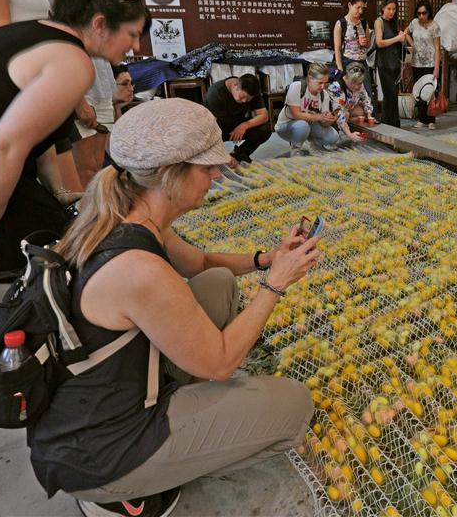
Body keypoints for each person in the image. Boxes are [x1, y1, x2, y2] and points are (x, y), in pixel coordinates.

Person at [29, 98, 316, 517]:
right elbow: (220, 363)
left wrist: (264, 260)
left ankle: (176, 425)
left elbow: (200, 263)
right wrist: (276, 284)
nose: (217, 174)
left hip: (104, 400)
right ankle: (127, 491)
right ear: (167, 175)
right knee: (294, 408)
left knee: (216, 283)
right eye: (206, 168)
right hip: (102, 450)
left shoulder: (124, 216)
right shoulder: (136, 269)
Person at [0, 0, 150, 271]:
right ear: (100, 23)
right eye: (132, 34)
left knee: (62, 225)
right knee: (67, 254)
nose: (136, 46)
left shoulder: (35, 32)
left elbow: (36, 139)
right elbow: (4, 146)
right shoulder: (73, 61)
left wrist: (61, 194)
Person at [30, 0, 113, 190]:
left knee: (99, 167)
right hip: (79, 94)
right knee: (83, 172)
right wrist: (79, 101)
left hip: (97, 86)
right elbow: (53, 50)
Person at [203, 73, 271, 166]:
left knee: (265, 129)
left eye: (248, 99)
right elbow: (210, 127)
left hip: (236, 124)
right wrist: (222, 154)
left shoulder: (251, 90)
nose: (244, 101)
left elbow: (264, 116)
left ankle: (237, 155)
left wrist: (244, 125)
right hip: (215, 127)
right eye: (242, 97)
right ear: (235, 85)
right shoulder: (216, 93)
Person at [275, 62, 339, 156]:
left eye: (325, 83)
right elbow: (296, 114)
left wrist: (330, 119)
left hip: (309, 124)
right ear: (310, 78)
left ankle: (313, 144)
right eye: (320, 82)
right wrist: (320, 117)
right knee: (302, 126)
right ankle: (296, 149)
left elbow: (323, 124)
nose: (322, 87)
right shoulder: (297, 86)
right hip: (287, 126)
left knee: (333, 137)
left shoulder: (323, 94)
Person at [406, 0, 441, 130]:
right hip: (416, 63)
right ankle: (422, 119)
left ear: (429, 12)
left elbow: (437, 48)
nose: (421, 16)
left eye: (424, 13)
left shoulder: (435, 26)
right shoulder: (414, 23)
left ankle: (431, 119)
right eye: (419, 13)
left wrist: (436, 68)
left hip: (431, 63)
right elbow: (406, 32)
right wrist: (412, 44)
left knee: (431, 92)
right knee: (419, 92)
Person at [374, 0, 405, 128]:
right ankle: (391, 125)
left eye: (394, 9)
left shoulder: (394, 22)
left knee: (393, 96)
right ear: (383, 8)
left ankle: (390, 124)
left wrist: (402, 39)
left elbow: (400, 43)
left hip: (395, 63)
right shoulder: (378, 21)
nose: (391, 12)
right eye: (389, 8)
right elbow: (379, 42)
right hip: (384, 63)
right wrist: (397, 39)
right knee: (390, 94)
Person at [333, 0, 372, 94]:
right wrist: (341, 69)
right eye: (358, 7)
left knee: (367, 93)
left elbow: (368, 44)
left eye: (362, 8)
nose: (360, 11)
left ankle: (369, 110)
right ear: (350, 5)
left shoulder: (364, 23)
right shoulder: (341, 23)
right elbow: (337, 48)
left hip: (363, 63)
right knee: (350, 94)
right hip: (348, 62)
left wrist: (365, 43)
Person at [326, 62, 373, 144]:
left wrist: (369, 115)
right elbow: (340, 112)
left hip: (348, 107)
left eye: (359, 83)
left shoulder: (358, 83)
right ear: (346, 78)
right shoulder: (336, 87)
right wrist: (349, 134)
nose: (357, 87)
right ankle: (339, 132)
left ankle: (348, 127)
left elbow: (366, 99)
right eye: (354, 84)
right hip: (332, 111)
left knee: (362, 112)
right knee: (345, 114)